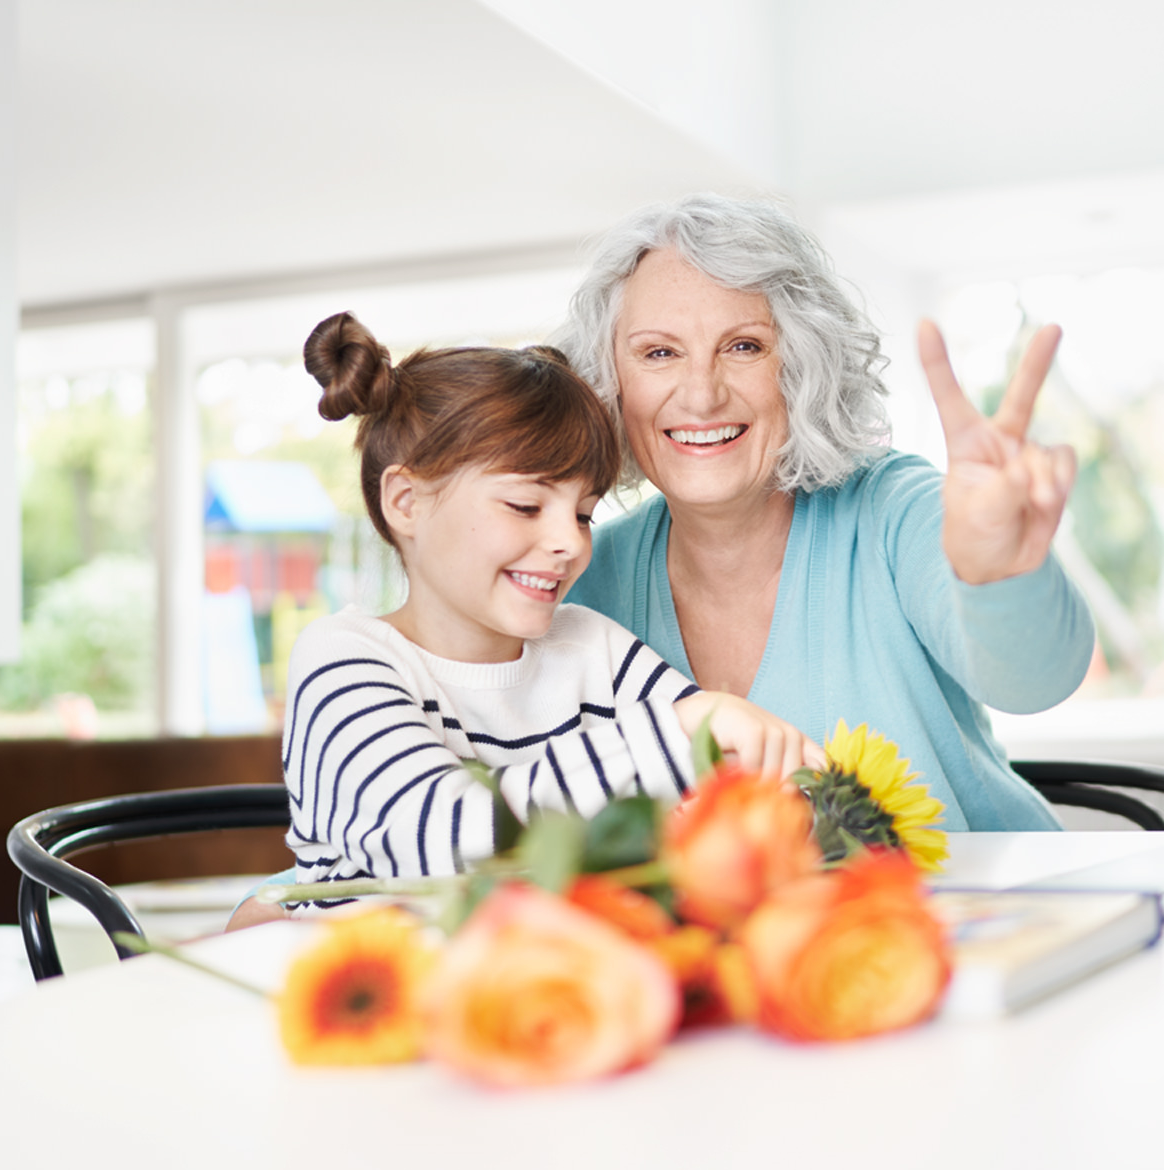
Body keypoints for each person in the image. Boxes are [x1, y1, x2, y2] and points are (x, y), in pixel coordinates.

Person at [556, 195, 1091, 833]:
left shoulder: (893, 510)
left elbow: (1035, 682)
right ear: (609, 381)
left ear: (802, 367)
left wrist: (1001, 574)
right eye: (659, 354)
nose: (700, 394)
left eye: (744, 346)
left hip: (992, 915)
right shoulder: (579, 574)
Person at [277, 313, 818, 897]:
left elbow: (719, 784)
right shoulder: (343, 660)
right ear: (406, 502)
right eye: (526, 506)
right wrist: (683, 731)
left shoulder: (589, 646)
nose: (570, 541)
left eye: (584, 513)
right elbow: (435, 838)